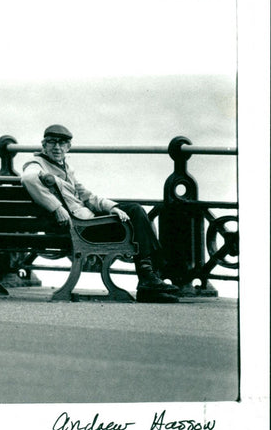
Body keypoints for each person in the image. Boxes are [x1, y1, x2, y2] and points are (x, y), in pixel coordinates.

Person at [20, 124, 180, 303]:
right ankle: (149, 279)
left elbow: (87, 196)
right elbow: (28, 178)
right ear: (44, 145)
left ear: (68, 147)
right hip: (81, 228)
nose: (57, 147)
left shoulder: (64, 167)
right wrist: (56, 208)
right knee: (136, 217)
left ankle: (149, 279)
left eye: (62, 143)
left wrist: (112, 208)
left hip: (85, 222)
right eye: (52, 142)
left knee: (134, 211)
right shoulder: (37, 164)